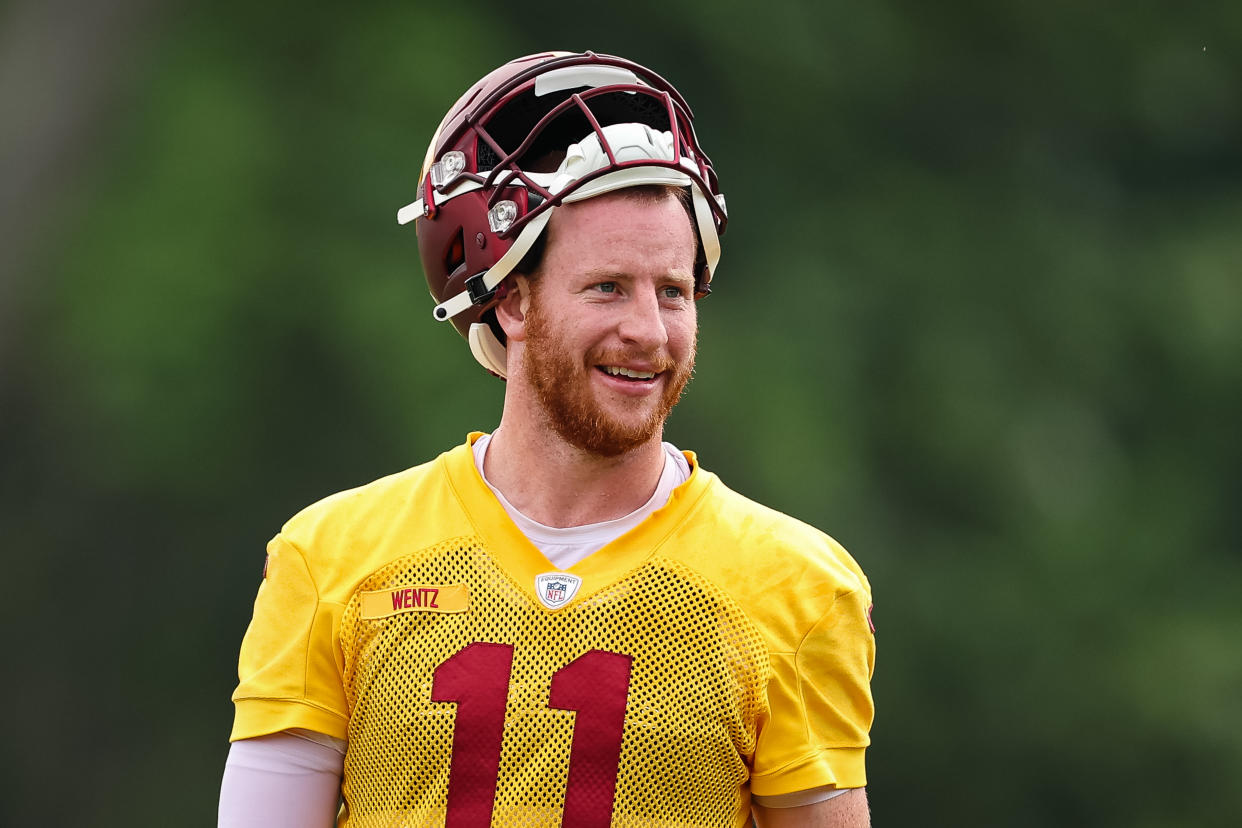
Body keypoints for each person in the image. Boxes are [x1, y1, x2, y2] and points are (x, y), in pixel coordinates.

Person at [219, 50, 875, 828]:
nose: (647, 331)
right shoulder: (330, 558)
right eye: (608, 288)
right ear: (514, 304)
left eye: (672, 292)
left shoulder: (795, 587)